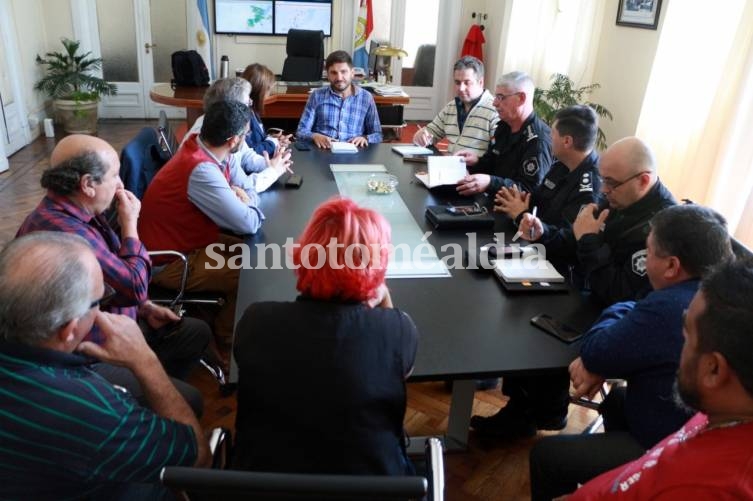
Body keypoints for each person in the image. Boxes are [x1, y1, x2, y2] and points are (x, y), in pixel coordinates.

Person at [529, 204, 734, 501]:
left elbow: (597, 350)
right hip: (692, 429)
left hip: (665, 445)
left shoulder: (668, 308)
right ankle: (615, 484)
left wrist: (620, 311)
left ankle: (627, 478)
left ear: (672, 266)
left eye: (649, 252)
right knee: (617, 399)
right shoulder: (718, 296)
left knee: (547, 456)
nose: (645, 259)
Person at [0, 232, 209, 500]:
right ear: (70, 328)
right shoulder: (91, 410)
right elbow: (198, 458)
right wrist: (144, 360)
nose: (103, 310)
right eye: (99, 301)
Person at [16, 134, 208, 413]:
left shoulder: (77, 210)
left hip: (112, 322)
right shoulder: (67, 234)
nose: (121, 184)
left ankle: (152, 393)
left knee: (194, 333)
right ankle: (142, 410)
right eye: (115, 175)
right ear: (88, 185)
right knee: (191, 401)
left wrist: (143, 308)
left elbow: (121, 284)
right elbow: (134, 285)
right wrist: (131, 224)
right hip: (87, 355)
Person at [233, 197, 418, 475]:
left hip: (265, 484)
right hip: (372, 489)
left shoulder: (255, 320)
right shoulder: (399, 329)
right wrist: (383, 292)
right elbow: (397, 370)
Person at [561, 258, 753, 500]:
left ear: (713, 370)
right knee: (617, 400)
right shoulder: (721, 409)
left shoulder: (704, 488)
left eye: (687, 335)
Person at [139, 100, 260, 359]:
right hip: (170, 261)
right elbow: (248, 221)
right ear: (233, 140)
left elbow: (243, 193)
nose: (246, 139)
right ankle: (229, 343)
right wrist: (248, 200)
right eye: (245, 135)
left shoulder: (201, 144)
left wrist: (245, 197)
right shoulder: (201, 169)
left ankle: (222, 318)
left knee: (261, 253)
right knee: (253, 272)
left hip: (191, 240)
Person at [568, 136, 676, 305]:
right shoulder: (620, 198)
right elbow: (579, 235)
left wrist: (589, 242)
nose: (603, 189)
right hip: (580, 290)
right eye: (602, 179)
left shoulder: (664, 228)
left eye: (610, 182)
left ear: (643, 181)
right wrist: (544, 232)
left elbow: (618, 294)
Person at [495, 104, 600, 265]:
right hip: (534, 247)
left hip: (556, 264)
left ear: (567, 141)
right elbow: (538, 200)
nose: (549, 137)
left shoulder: (590, 188)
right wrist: (521, 201)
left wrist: (521, 215)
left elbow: (567, 242)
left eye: (552, 133)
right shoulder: (561, 165)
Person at [184, 77, 292, 192]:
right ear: (230, 109)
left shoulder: (223, 123)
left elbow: (246, 155)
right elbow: (243, 187)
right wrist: (273, 171)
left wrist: (271, 163)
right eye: (247, 103)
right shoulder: (220, 136)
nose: (250, 107)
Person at [454, 71, 553, 197]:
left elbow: (529, 190)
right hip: (492, 199)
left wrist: (490, 182)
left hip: (514, 212)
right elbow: (492, 164)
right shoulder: (504, 126)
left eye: (501, 97)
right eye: (496, 97)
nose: (494, 103)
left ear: (521, 98)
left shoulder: (539, 140)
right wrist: (476, 162)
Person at [412, 56, 499, 156]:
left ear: (480, 82)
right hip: (450, 166)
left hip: (476, 169)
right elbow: (430, 133)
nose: (461, 88)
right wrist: (421, 136)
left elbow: (497, 154)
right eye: (457, 82)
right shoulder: (452, 107)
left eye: (467, 83)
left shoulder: (494, 110)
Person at [296, 50, 382, 149]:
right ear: (327, 75)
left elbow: (378, 135)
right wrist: (314, 136)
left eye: (343, 72)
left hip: (354, 152)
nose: (339, 77)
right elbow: (301, 131)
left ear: (352, 73)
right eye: (333, 73)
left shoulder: (366, 97)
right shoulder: (317, 96)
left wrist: (366, 138)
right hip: (323, 151)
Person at [241, 63, 293, 154]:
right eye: (268, 90)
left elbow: (258, 139)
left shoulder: (253, 110)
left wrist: (274, 139)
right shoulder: (243, 117)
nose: (269, 95)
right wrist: (272, 143)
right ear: (258, 91)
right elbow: (250, 152)